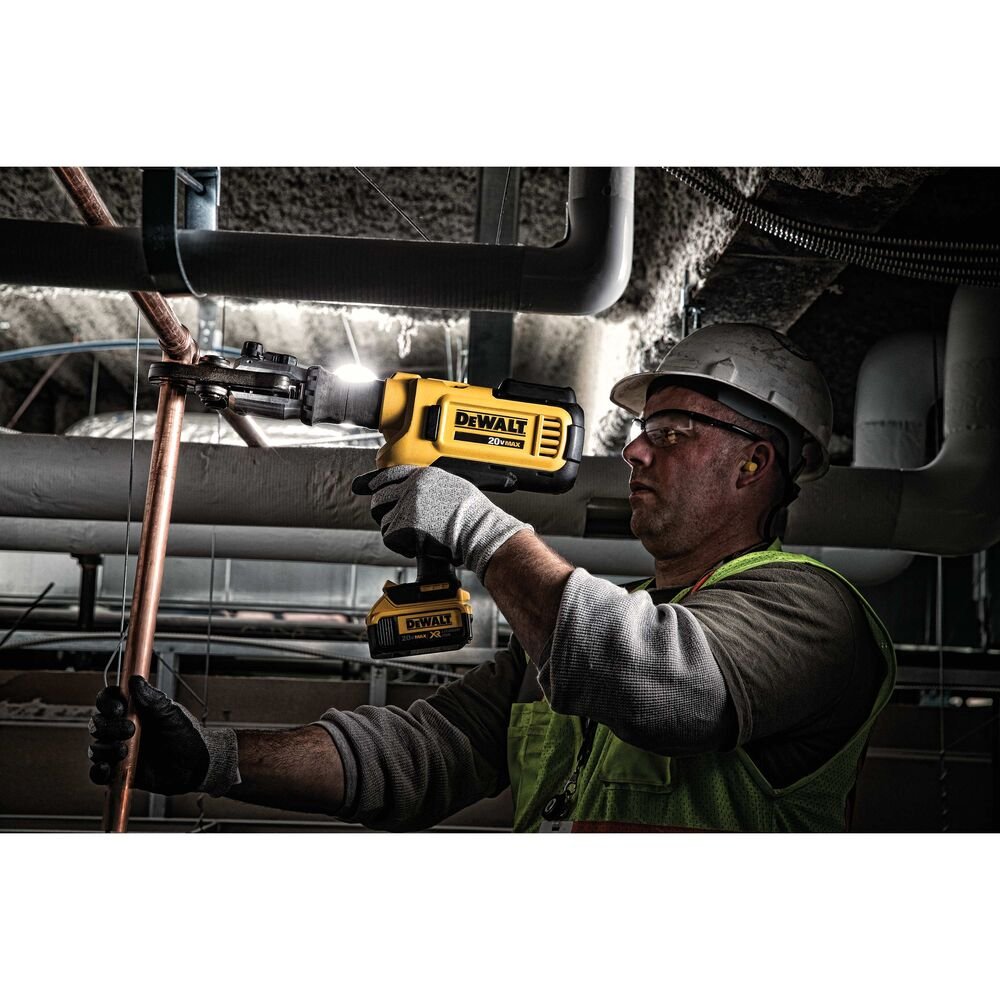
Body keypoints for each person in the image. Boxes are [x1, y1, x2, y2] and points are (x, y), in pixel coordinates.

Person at [89, 323, 895, 832]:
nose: (636, 451)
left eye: (673, 431)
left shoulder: (813, 611)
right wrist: (217, 758)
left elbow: (662, 684)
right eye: (642, 430)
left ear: (755, 463)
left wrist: (480, 529)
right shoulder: (571, 641)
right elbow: (421, 754)